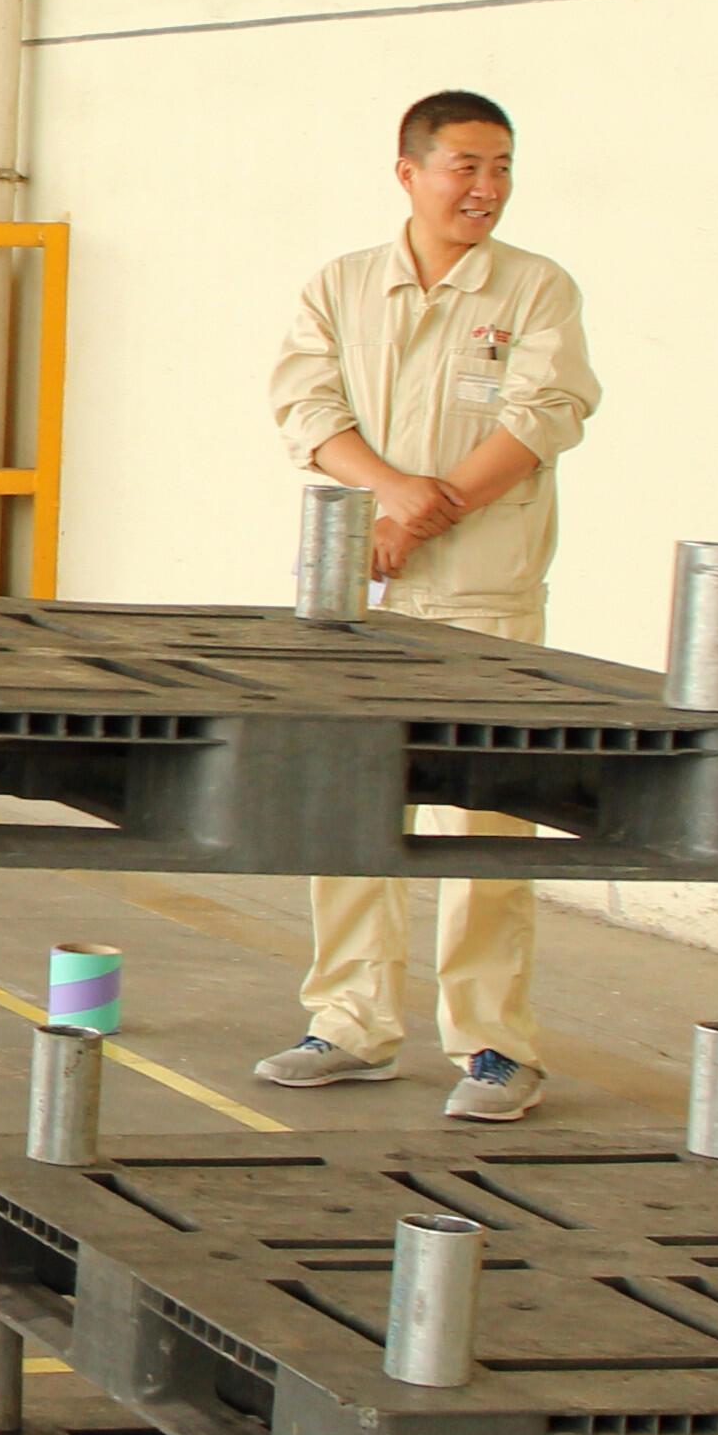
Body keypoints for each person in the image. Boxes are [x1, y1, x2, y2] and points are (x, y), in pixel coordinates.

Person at [258, 90, 603, 1119]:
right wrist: (391, 495)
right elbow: (305, 406)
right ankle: (349, 1022)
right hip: (358, 586)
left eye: (502, 167)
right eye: (466, 166)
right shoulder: (342, 286)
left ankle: (495, 1044)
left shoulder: (536, 289)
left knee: (487, 818)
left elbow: (546, 416)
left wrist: (426, 510)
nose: (486, 187)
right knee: (350, 806)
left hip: (484, 592)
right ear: (409, 172)